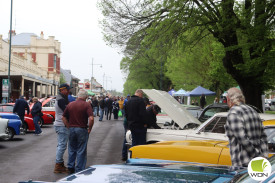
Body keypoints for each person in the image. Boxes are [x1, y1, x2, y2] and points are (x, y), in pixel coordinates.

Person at [225, 87, 268, 169]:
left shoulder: (234, 112)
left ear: (229, 99)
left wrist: (256, 155)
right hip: (258, 163)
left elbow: (242, 139)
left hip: (242, 163)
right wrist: (264, 155)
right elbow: (263, 136)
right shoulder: (252, 110)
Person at [62, 89, 94, 173]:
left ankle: (70, 167)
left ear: (78, 95)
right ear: (86, 96)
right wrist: (90, 128)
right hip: (82, 129)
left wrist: (68, 126)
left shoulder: (70, 104)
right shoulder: (86, 105)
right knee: (81, 149)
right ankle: (79, 169)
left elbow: (63, 117)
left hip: (72, 128)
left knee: (72, 148)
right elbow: (91, 118)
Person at [53, 83, 71, 173]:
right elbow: (67, 112)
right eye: (67, 90)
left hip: (59, 124)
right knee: (62, 145)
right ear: (62, 90)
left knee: (61, 145)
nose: (69, 91)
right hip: (62, 125)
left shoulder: (61, 98)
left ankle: (59, 164)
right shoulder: (61, 100)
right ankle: (58, 165)